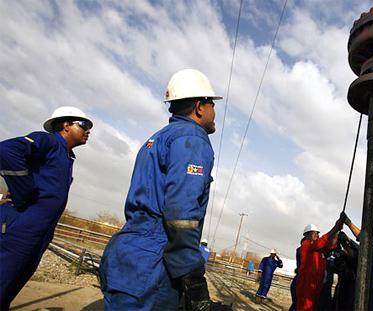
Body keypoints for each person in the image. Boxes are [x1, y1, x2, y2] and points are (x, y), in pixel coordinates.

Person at [99, 69, 227, 311]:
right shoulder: (192, 139)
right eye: (212, 104)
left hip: (126, 252)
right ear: (200, 107)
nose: (214, 111)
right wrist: (192, 274)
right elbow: (181, 213)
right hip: (155, 261)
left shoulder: (157, 138)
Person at [0, 106, 93, 309]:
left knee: (11, 286)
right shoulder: (48, 141)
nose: (88, 131)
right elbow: (6, 150)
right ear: (66, 125)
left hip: (39, 233)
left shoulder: (66, 156)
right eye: (84, 125)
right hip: (20, 227)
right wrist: (22, 190)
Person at [296, 213, 345, 311]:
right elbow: (321, 241)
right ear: (307, 235)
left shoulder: (320, 250)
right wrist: (335, 227)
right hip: (306, 285)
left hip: (316, 285)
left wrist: (337, 230)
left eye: (318, 233)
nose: (317, 235)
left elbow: (330, 245)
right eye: (315, 233)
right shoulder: (306, 245)